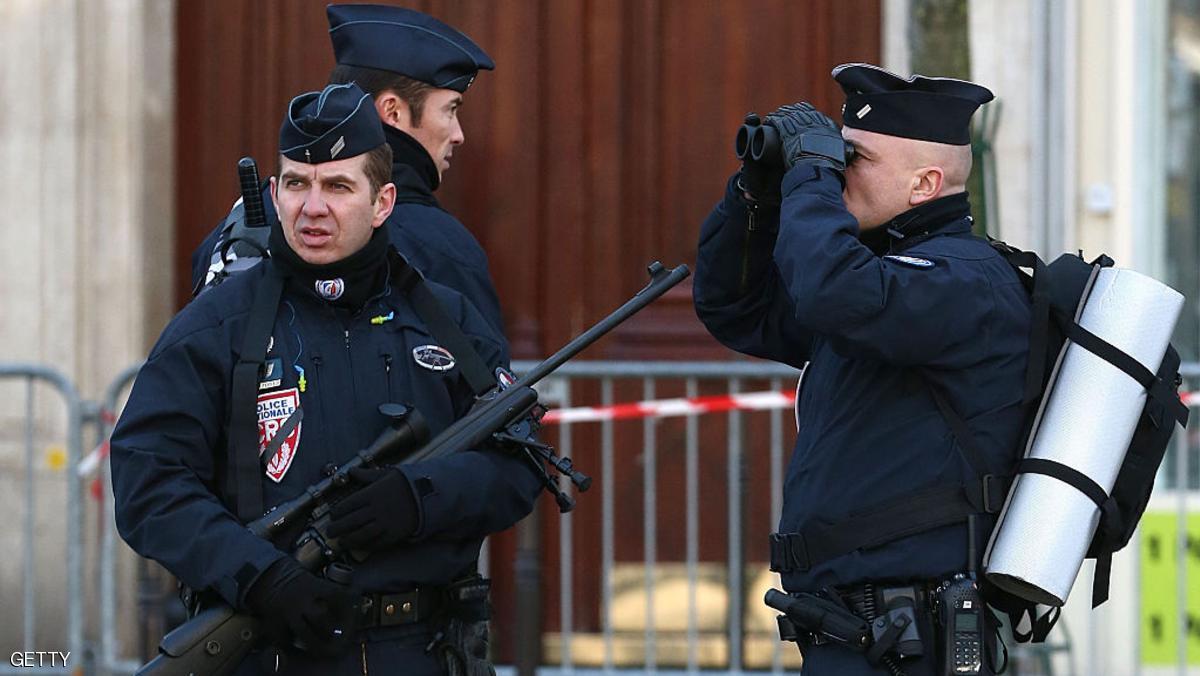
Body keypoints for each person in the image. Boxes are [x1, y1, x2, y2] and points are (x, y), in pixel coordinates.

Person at [113, 82, 542, 675]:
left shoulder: (446, 318)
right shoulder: (216, 326)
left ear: (383, 201)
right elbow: (149, 484)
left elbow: (521, 465)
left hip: (423, 650)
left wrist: (421, 500)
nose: (313, 207)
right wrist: (260, 578)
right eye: (297, 183)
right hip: (271, 650)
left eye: (338, 186)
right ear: (273, 193)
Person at [692, 63, 1031, 675]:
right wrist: (758, 194)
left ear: (925, 184)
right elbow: (736, 306)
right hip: (855, 629)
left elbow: (831, 293)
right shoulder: (879, 285)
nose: (835, 171)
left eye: (855, 159)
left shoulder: (965, 282)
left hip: (913, 634)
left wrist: (811, 184)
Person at [192, 4, 506, 341]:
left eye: (338, 188)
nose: (458, 134)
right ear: (393, 111)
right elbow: (487, 384)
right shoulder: (436, 244)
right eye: (449, 110)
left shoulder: (238, 227)